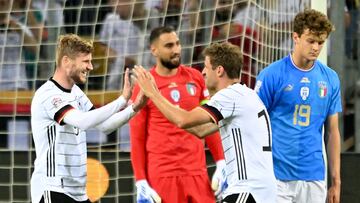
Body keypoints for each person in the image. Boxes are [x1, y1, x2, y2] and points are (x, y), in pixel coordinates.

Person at [132, 42, 277, 203]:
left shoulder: (230, 96)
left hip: (249, 190)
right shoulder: (245, 95)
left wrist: (153, 93)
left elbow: (183, 121)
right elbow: (200, 130)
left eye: (206, 67)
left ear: (219, 70)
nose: (202, 72)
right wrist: (172, 111)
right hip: (260, 190)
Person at [30, 34, 146, 203]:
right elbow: (82, 121)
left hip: (78, 192)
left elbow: (104, 126)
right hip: (52, 188)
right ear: (66, 61)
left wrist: (134, 108)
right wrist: (121, 100)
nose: (91, 67)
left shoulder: (76, 92)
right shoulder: (48, 95)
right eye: (85, 61)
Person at [129, 26, 226, 203]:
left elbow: (209, 123)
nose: (176, 50)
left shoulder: (196, 77)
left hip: (197, 173)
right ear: (154, 50)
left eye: (177, 44)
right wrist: (140, 181)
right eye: (169, 46)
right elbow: (137, 138)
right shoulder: (145, 86)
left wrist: (221, 161)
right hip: (163, 176)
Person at [255, 9, 341, 203]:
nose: (316, 48)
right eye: (311, 41)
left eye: (321, 42)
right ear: (296, 37)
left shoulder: (331, 78)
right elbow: (253, 124)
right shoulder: (272, 75)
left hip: (314, 176)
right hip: (276, 176)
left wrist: (336, 181)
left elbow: (332, 132)